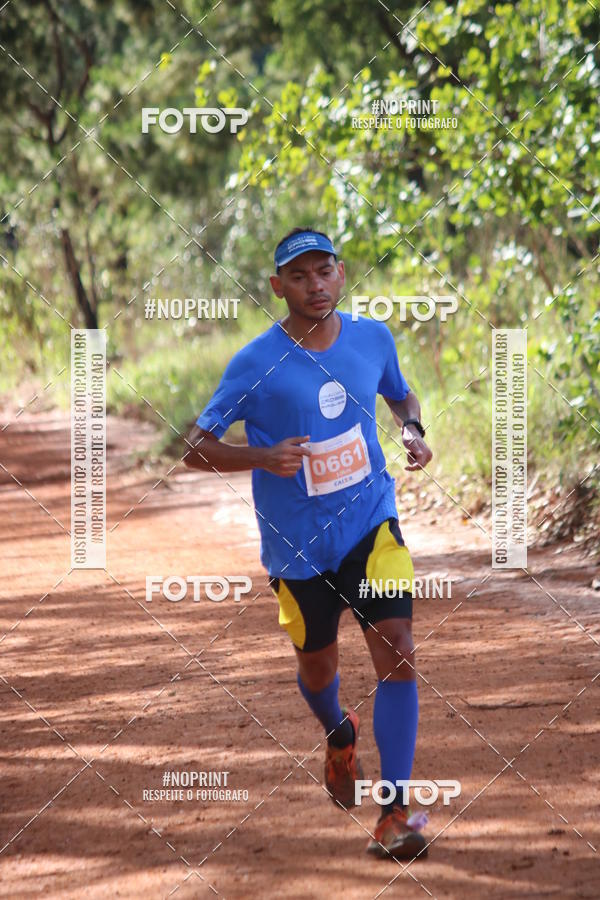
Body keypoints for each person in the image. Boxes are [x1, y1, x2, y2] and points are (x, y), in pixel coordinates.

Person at [184, 227, 433, 859]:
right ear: (278, 287)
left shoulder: (373, 337)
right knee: (317, 667)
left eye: (324, 272)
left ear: (341, 275)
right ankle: (337, 728)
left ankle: (396, 809)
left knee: (398, 649)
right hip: (296, 546)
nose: (315, 285)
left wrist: (412, 429)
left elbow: (399, 393)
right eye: (299, 276)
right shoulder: (253, 363)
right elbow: (195, 447)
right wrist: (261, 456)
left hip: (371, 524)